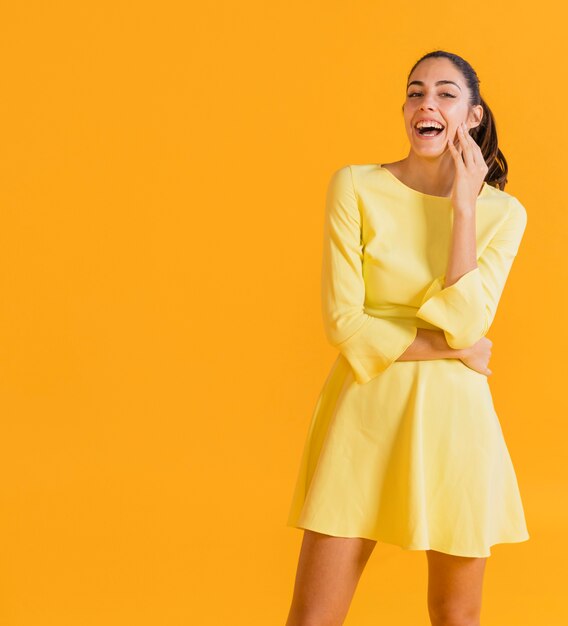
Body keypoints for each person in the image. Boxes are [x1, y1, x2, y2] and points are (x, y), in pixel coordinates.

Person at [284, 50, 530, 626]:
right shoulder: (355, 187)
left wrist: (464, 207)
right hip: (364, 412)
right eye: (416, 92)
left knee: (455, 617)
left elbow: (465, 323)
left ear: (472, 116)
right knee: (312, 619)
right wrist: (451, 349)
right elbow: (344, 323)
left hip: (455, 421)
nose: (427, 103)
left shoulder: (504, 214)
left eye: (446, 93)